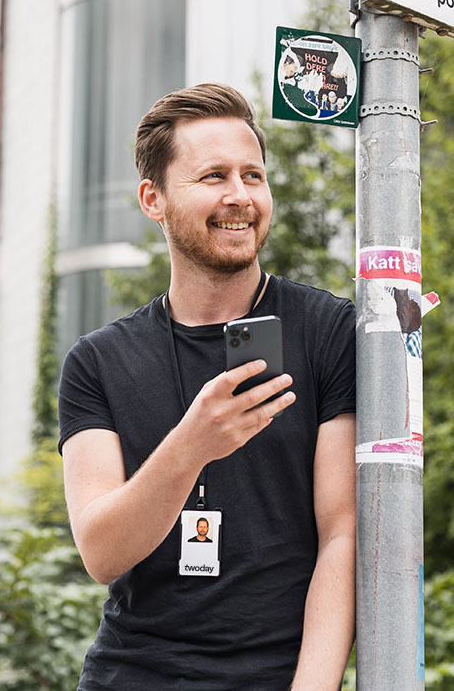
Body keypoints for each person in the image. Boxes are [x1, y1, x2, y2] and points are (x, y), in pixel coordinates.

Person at [58, 83, 356, 690]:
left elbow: (343, 534)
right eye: (213, 177)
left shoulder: (329, 331)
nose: (240, 197)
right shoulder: (97, 361)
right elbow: (101, 553)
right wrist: (192, 443)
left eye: (253, 175)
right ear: (154, 198)